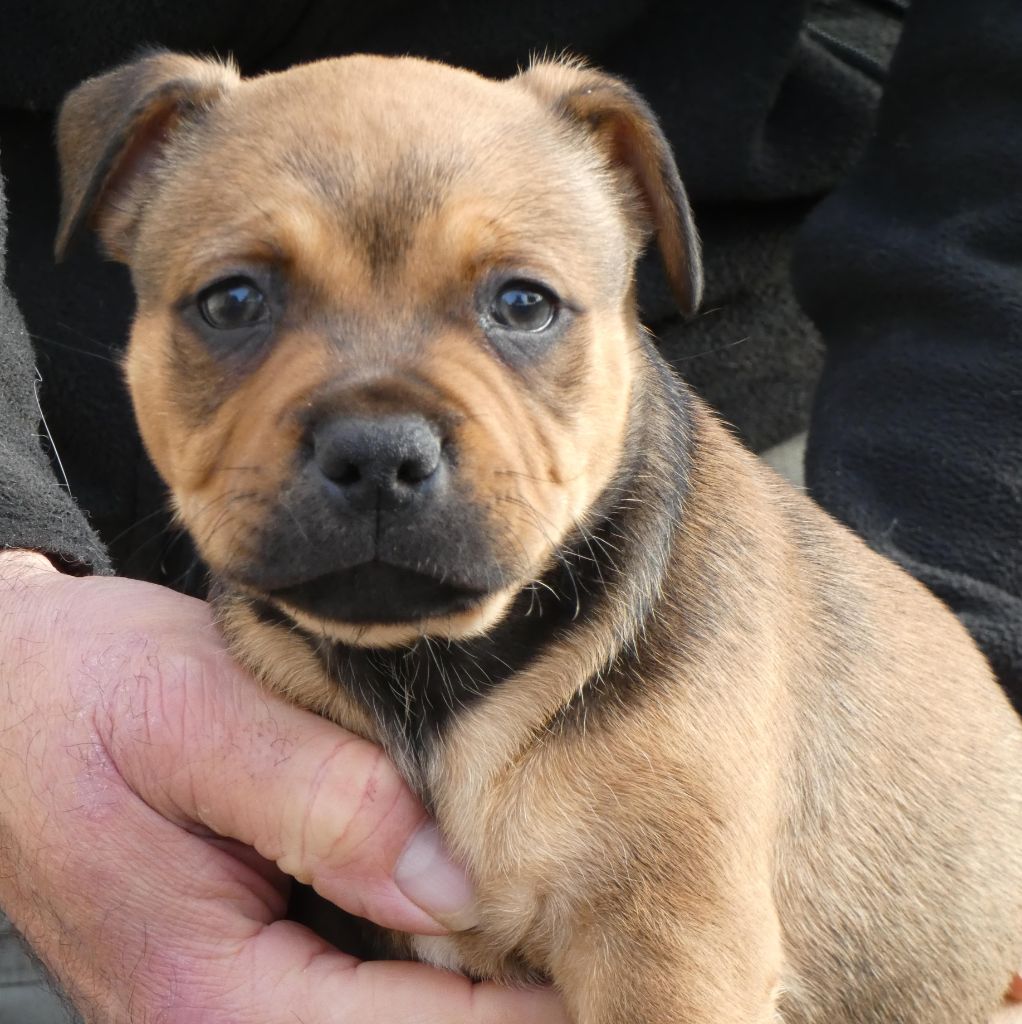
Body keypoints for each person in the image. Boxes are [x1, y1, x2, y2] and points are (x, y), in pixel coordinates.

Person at [0, 0, 1018, 1020]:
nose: (381, 443)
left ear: (635, 212)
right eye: (238, 303)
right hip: (75, 606)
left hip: (822, 387)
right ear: (124, 185)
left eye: (517, 306)